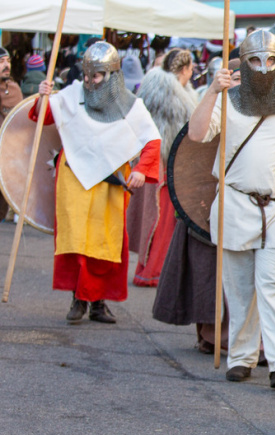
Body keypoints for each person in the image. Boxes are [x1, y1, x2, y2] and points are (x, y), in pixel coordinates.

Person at [187, 30, 275, 387]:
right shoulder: (226, 100)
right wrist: (212, 90)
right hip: (235, 204)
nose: (262, 67)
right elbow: (196, 135)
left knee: (271, 285)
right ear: (243, 62)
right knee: (240, 289)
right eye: (255, 60)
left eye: (270, 60)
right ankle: (242, 357)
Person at [33, 42, 161, 324]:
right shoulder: (72, 95)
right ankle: (78, 298)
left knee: (104, 243)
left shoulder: (130, 105)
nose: (91, 81)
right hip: (75, 177)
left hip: (109, 182)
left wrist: (140, 170)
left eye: (97, 76)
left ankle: (99, 303)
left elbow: (151, 140)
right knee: (76, 240)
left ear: (112, 75)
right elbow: (42, 117)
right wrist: (43, 97)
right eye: (88, 75)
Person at [152, 58, 241, 354]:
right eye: (236, 79)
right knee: (207, 275)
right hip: (204, 202)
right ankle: (211, 335)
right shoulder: (212, 105)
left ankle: (233, 337)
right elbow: (194, 144)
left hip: (242, 205)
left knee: (236, 277)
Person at [126, 48, 200, 288]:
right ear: (184, 69)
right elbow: (187, 131)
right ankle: (154, 271)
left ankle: (150, 269)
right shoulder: (173, 94)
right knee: (161, 218)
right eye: (191, 69)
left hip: (149, 159)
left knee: (154, 217)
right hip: (164, 162)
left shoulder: (153, 85)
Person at [0, 47, 24, 220]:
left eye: (8, 61)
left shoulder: (14, 89)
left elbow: (21, 122)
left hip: (6, 157)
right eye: (1, 62)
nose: (6, 65)